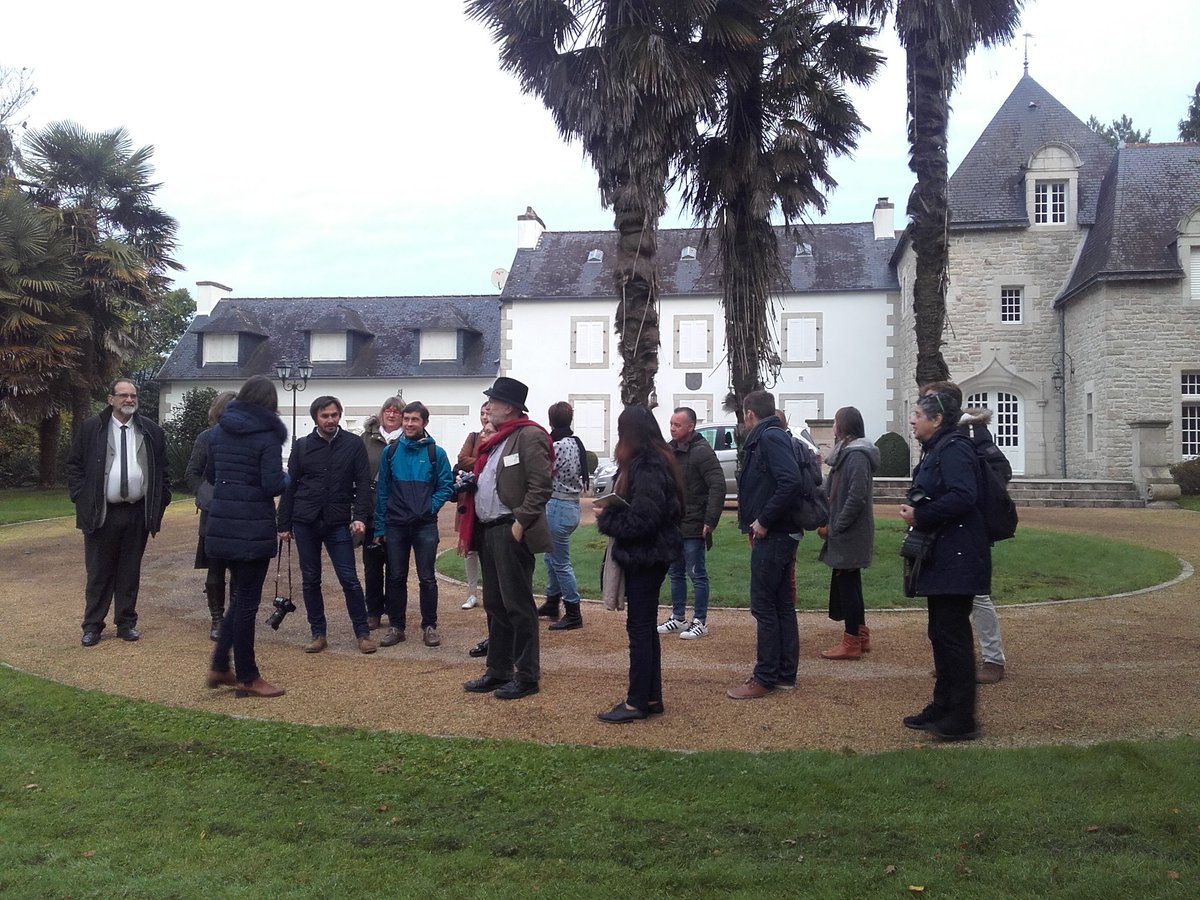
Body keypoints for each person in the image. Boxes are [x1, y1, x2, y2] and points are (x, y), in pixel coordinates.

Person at [899, 391, 990, 741]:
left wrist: (921, 514)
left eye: (918, 414)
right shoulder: (938, 448)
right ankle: (943, 705)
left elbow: (963, 496)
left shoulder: (954, 448)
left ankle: (962, 718)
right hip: (944, 554)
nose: (913, 420)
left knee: (953, 637)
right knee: (940, 632)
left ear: (937, 420)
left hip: (958, 556)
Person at [459, 377, 553, 700]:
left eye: (493, 402)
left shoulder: (529, 436)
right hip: (488, 529)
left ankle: (527, 676)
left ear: (510, 407)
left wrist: (520, 523)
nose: (488, 407)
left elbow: (541, 486)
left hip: (510, 530)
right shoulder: (497, 438)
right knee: (495, 604)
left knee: (518, 606)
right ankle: (498, 671)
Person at [593, 406, 684, 722]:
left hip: (646, 555)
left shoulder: (647, 465)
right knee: (644, 628)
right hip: (653, 554)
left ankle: (636, 703)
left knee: (640, 629)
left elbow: (644, 519)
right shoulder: (658, 460)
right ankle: (651, 697)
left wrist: (608, 518)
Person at [67, 378, 171, 647]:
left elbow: (163, 470)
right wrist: (81, 496)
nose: (129, 400)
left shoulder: (151, 431)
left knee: (129, 571)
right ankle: (92, 626)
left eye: (133, 395)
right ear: (110, 399)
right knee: (99, 572)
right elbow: (74, 465)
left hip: (137, 513)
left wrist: (161, 501)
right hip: (102, 512)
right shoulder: (92, 428)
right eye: (123, 395)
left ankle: (126, 623)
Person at [204, 375, 289, 697]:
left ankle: (219, 665)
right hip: (252, 527)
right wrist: (288, 477)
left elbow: (212, 475)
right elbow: (272, 484)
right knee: (247, 603)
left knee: (240, 600)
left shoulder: (218, 432)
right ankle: (248, 676)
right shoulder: (267, 436)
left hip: (222, 523)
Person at [922, 380, 1009, 684]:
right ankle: (952, 660)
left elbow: (999, 471)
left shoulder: (969, 432)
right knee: (945, 600)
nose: (922, 408)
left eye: (929, 401)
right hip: (943, 527)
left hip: (968, 528)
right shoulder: (938, 435)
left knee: (978, 597)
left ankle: (993, 659)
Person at [278, 395, 377, 655]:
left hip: (338, 521)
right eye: (325, 416)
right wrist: (283, 523)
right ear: (316, 418)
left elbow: (363, 483)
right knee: (311, 580)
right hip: (305, 520)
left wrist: (360, 516)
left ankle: (362, 633)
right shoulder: (302, 446)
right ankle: (318, 633)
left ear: (340, 415)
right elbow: (290, 486)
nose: (330, 420)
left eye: (334, 415)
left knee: (349, 579)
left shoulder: (353, 444)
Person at [727, 390, 802, 699]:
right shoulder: (773, 435)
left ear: (749, 414)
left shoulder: (769, 438)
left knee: (764, 606)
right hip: (781, 533)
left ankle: (765, 676)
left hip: (774, 535)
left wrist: (764, 520)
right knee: (781, 604)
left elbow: (790, 481)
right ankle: (784, 674)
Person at [372, 400, 454, 648]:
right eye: (406, 419)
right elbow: (383, 491)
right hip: (396, 525)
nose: (409, 424)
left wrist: (429, 507)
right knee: (396, 577)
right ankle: (397, 627)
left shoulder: (436, 453)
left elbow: (446, 486)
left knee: (427, 577)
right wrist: (380, 527)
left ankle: (429, 626)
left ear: (424, 422)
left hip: (424, 525)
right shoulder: (390, 452)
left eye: (414, 419)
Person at [817, 406, 880, 660]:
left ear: (843, 426)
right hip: (847, 530)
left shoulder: (856, 455)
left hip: (850, 532)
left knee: (847, 585)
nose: (833, 426)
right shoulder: (848, 452)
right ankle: (860, 636)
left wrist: (836, 526)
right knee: (851, 582)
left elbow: (856, 497)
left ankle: (851, 640)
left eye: (835, 421)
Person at [659, 406, 724, 641]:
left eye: (677, 425)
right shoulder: (670, 449)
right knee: (675, 572)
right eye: (671, 424)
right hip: (674, 522)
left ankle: (700, 621)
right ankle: (678, 617)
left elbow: (717, 484)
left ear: (691, 426)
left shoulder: (702, 452)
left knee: (696, 573)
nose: (672, 428)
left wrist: (710, 520)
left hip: (695, 523)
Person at [185, 389, 238, 640]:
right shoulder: (206, 438)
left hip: (241, 514)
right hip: (214, 513)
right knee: (215, 569)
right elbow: (192, 473)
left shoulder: (249, 439)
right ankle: (217, 619)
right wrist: (208, 498)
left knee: (240, 571)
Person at [539, 400, 587, 632]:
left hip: (558, 505)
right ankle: (552, 602)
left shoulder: (557, 445)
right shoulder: (575, 442)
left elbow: (543, 471)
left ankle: (573, 612)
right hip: (571, 504)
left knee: (560, 562)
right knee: (551, 558)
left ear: (551, 421)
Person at [361, 396, 404, 630]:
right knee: (372, 566)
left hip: (399, 511)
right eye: (388, 410)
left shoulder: (408, 438)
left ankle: (395, 614)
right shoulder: (367, 438)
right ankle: (374, 612)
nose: (391, 414)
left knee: (396, 568)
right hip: (371, 509)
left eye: (396, 411)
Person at [456, 403, 490, 610]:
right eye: (482, 413)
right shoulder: (474, 437)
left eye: (488, 413)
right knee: (470, 549)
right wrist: (483, 462)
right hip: (470, 499)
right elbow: (461, 460)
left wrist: (475, 462)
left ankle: (490, 592)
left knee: (489, 549)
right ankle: (471, 593)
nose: (485, 416)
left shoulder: (500, 438)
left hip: (490, 500)